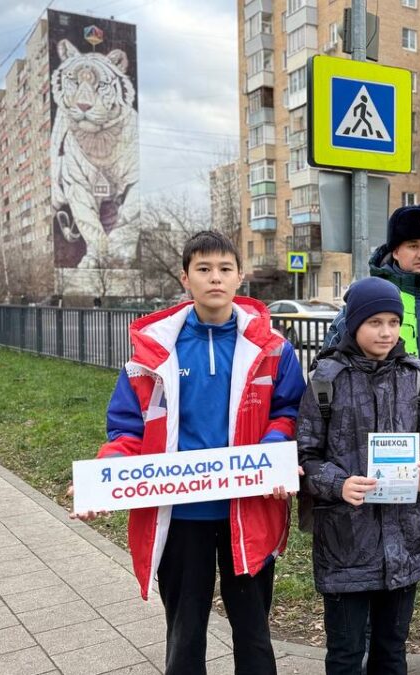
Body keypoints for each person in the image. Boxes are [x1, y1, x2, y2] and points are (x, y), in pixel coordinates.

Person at [71, 231, 306, 675]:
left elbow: (288, 411)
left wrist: (273, 454)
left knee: (254, 630)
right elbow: (128, 429)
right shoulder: (152, 353)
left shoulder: (273, 349)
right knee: (185, 630)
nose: (215, 278)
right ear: (185, 278)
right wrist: (106, 477)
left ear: (239, 277)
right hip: (181, 514)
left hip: (247, 511)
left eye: (224, 269)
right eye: (203, 269)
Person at [322, 203, 420, 665]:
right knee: (380, 558)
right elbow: (335, 366)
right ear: (394, 251)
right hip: (374, 464)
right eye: (412, 245)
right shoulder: (369, 298)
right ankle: (363, 651)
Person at [296, 276, 420, 675]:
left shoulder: (417, 377)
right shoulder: (326, 380)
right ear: (354, 323)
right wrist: (338, 484)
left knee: (391, 652)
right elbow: (306, 456)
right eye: (375, 322)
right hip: (345, 542)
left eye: (393, 322)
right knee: (345, 654)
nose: (386, 332)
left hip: (404, 541)